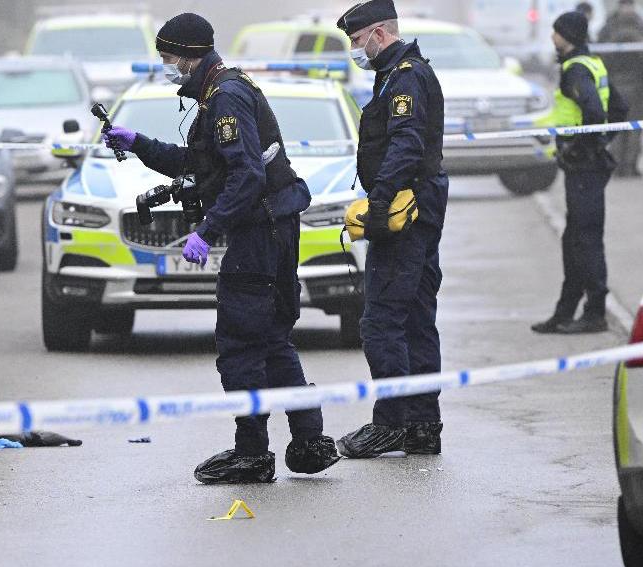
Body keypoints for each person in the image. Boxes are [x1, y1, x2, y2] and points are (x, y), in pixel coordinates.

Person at [103, 13, 340, 483]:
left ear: (190, 55)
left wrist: (207, 231)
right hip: (273, 225)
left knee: (239, 341)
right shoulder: (216, 92)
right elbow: (200, 164)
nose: (167, 66)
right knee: (271, 335)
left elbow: (247, 175)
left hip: (261, 231)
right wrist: (140, 144)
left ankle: (252, 453)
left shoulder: (226, 97)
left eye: (169, 58)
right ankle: (309, 439)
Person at [332, 0, 449, 459]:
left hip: (406, 213)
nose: (356, 50)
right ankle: (423, 425)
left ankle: (392, 424)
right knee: (418, 320)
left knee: (380, 322)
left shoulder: (405, 78)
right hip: (421, 210)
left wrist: (379, 202)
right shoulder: (400, 73)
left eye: (358, 41)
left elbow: (407, 142)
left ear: (380, 33)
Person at [532, 11, 623, 334]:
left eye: (556, 33)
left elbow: (596, 112)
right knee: (575, 239)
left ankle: (595, 312)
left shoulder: (575, 71)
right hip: (588, 167)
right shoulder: (593, 63)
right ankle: (565, 310)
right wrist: (599, 142)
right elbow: (620, 110)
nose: (553, 39)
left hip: (584, 168)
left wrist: (582, 147)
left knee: (584, 240)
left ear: (567, 36)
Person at [599, 0, 643, 177]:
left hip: (630, 86)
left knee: (628, 128)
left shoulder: (610, 27)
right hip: (624, 85)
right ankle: (624, 167)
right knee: (626, 128)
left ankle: (626, 166)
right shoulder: (638, 27)